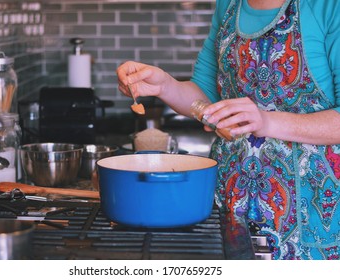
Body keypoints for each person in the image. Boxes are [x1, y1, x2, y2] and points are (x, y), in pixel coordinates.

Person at [116, 0, 340, 260]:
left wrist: (267, 122)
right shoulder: (229, 5)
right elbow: (206, 99)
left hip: (310, 215)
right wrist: (165, 86)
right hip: (232, 207)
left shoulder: (329, 6)